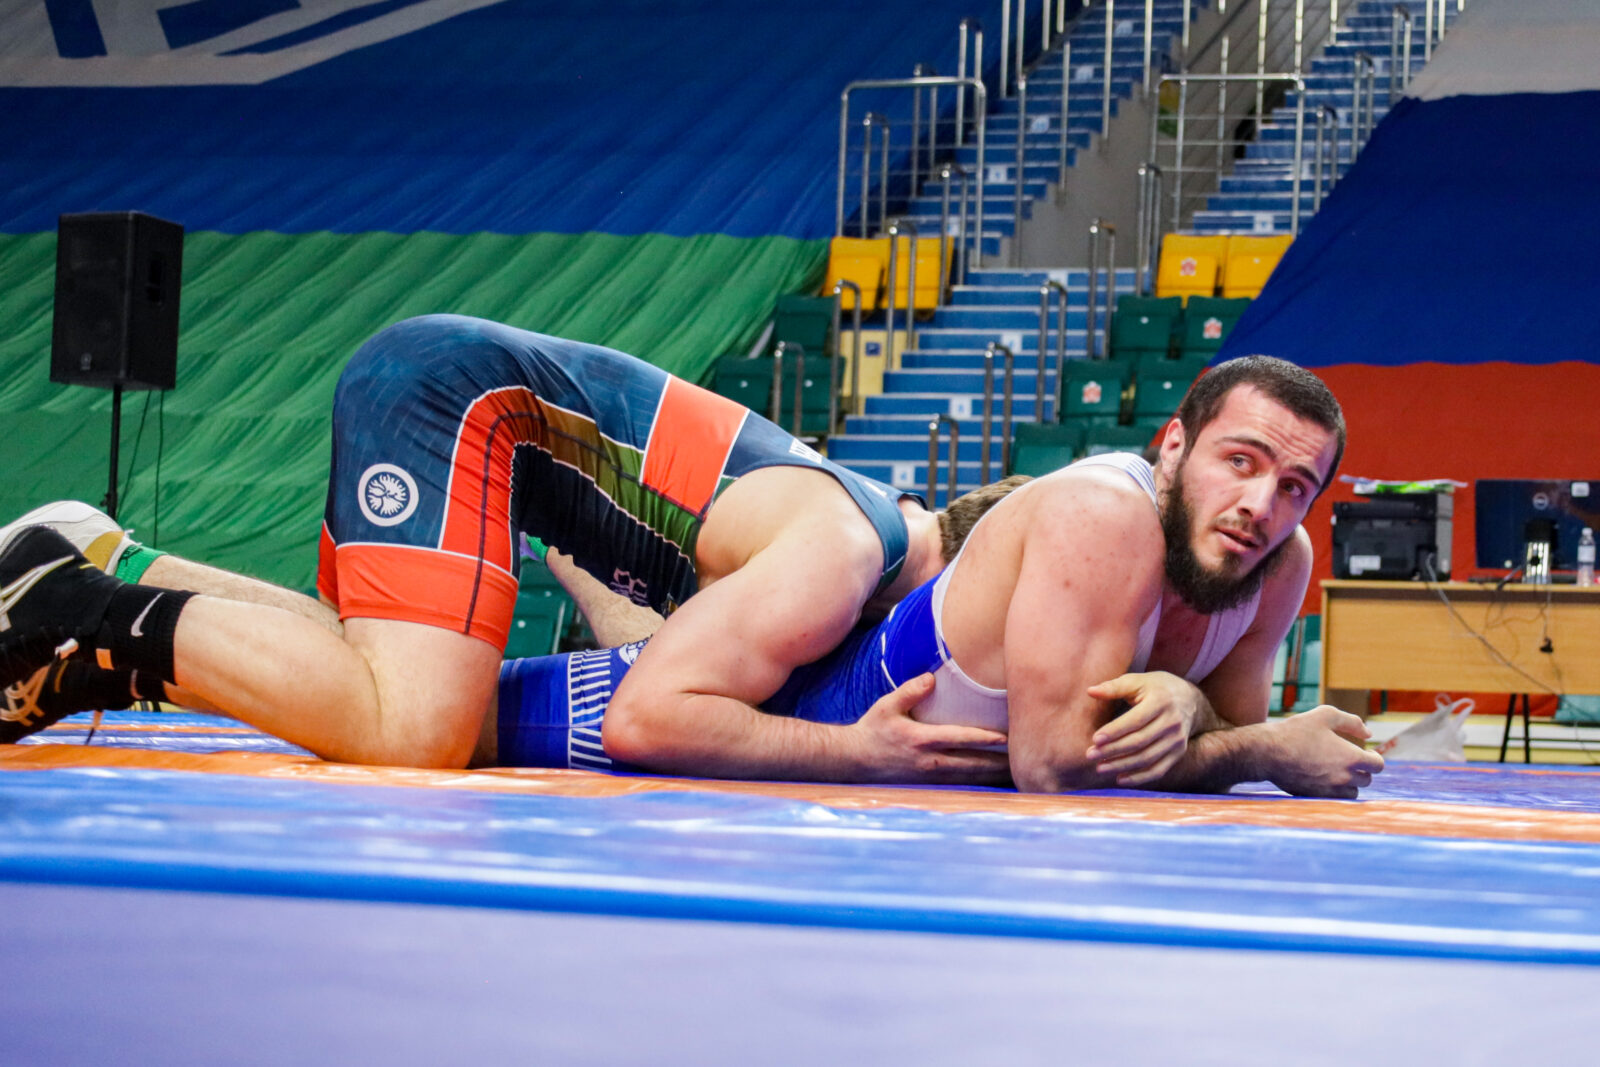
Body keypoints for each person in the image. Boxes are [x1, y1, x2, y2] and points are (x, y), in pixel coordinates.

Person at [0, 315, 1014, 782]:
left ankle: (112, 563)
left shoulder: (858, 528)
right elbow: (642, 717)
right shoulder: (840, 556)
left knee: (384, 677)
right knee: (413, 733)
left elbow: (641, 652)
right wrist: (851, 751)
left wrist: (561, 542)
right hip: (454, 399)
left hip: (478, 417)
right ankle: (73, 607)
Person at [492, 355, 1385, 797]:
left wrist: (1198, 709)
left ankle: (604, 585)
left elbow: (1222, 725)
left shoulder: (1279, 561)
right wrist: (1260, 749)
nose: (1261, 504)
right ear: (1175, 445)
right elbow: (1054, 766)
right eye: (1241, 461)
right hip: (795, 708)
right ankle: (566, 538)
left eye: (1294, 487)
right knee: (450, 727)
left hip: (843, 657)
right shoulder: (1103, 515)